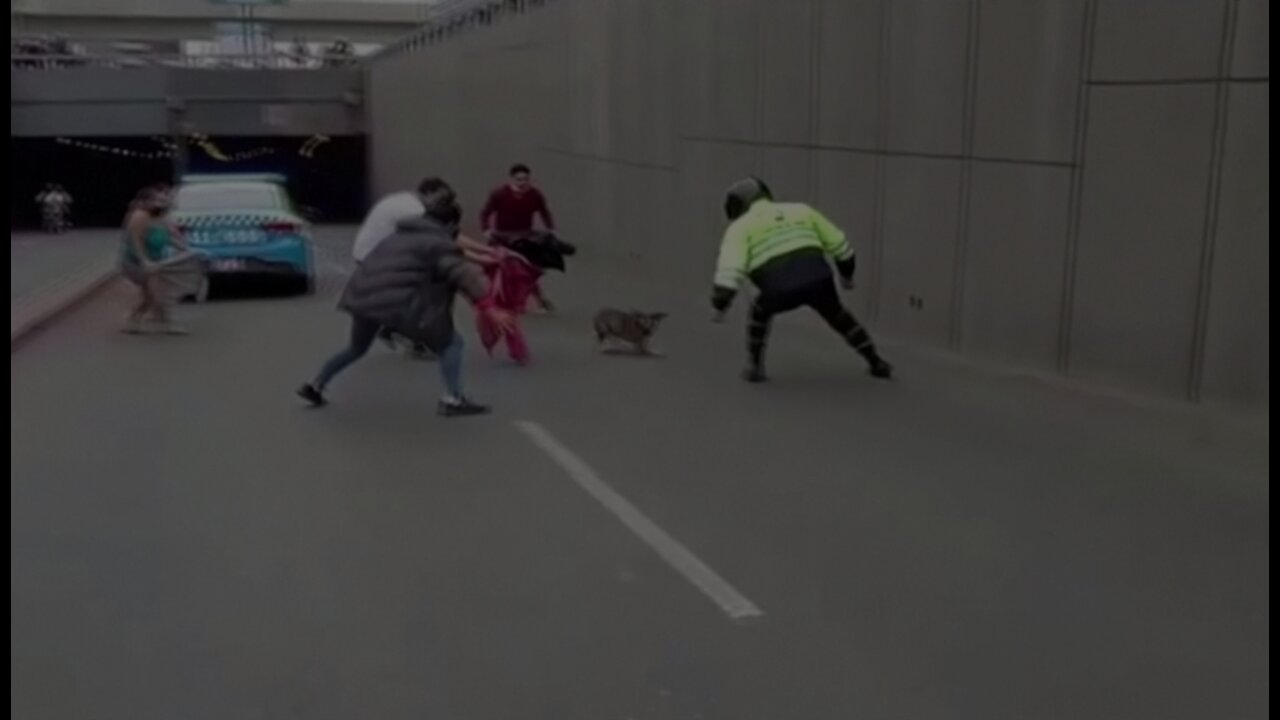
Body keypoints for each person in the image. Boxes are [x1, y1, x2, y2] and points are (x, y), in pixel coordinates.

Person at [297, 178, 514, 417]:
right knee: (452, 343)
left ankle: (315, 385)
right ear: (451, 225)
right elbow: (458, 271)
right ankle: (453, 399)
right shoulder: (439, 244)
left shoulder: (399, 236)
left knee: (356, 348)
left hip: (363, 298)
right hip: (399, 305)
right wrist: (487, 306)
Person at [710, 176, 893, 383]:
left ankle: (755, 366)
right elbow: (840, 245)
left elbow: (730, 270)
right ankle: (876, 361)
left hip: (777, 286)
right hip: (818, 278)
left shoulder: (739, 228)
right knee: (839, 316)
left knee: (760, 312)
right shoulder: (801, 210)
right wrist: (846, 275)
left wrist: (720, 305)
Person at [354, 178, 499, 357]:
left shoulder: (408, 199)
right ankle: (417, 341)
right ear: (429, 193)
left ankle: (392, 329)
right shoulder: (415, 211)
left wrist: (487, 251)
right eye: (440, 199)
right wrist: (483, 259)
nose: (442, 204)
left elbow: (451, 234)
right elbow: (445, 242)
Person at [119, 185, 201, 335]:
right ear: (145, 202)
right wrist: (144, 260)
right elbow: (136, 241)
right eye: (157, 200)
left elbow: (170, 238)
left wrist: (187, 250)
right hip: (136, 261)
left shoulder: (162, 219)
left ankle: (134, 320)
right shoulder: (139, 216)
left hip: (156, 261)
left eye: (163, 200)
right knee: (156, 293)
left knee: (152, 295)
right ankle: (163, 323)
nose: (162, 203)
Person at [480, 163, 558, 312]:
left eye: (525, 179)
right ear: (512, 180)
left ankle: (538, 299)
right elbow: (485, 212)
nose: (522, 183)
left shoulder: (535, 196)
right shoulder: (499, 194)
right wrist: (486, 230)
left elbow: (545, 213)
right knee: (498, 269)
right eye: (519, 179)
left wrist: (551, 229)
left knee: (527, 270)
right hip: (501, 237)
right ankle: (494, 299)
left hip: (525, 237)